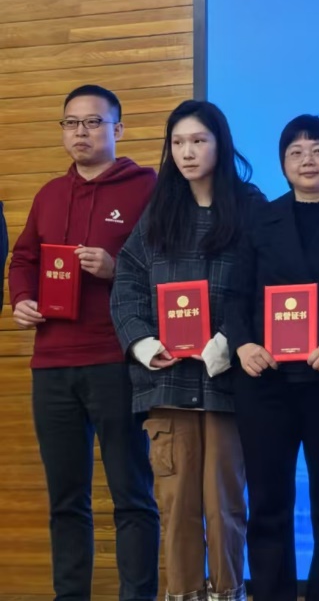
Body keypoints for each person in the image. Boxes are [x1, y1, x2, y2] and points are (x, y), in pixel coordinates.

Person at [7, 85, 160, 601]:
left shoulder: (147, 188)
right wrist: (22, 299)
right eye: (71, 123)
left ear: (118, 129)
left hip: (116, 358)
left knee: (131, 495)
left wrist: (117, 270)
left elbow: (169, 266)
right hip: (51, 363)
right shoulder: (50, 193)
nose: (81, 133)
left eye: (94, 122)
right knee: (66, 500)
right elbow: (25, 258)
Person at [110, 100, 262, 601]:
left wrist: (230, 342)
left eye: (198, 140)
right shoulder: (158, 211)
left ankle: (229, 592)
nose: (187, 152)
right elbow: (127, 283)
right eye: (177, 142)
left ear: (220, 143)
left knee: (225, 506)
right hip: (168, 383)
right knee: (175, 506)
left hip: (227, 386)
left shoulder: (251, 207)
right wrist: (143, 343)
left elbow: (266, 285)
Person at [227, 116, 319, 601]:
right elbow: (235, 294)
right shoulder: (259, 219)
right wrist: (243, 344)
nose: (308, 160)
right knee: (268, 503)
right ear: (283, 163)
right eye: (296, 152)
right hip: (266, 381)